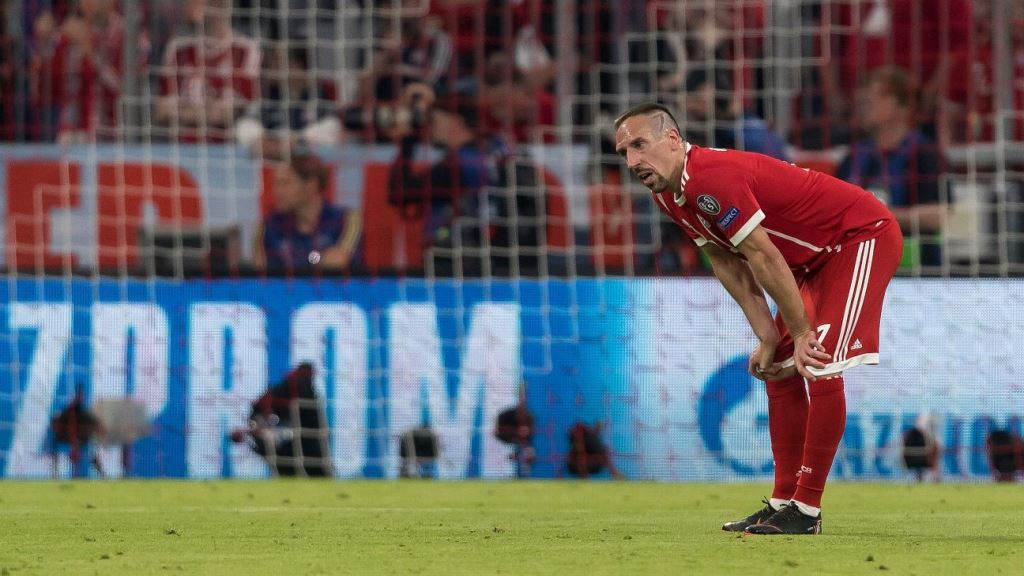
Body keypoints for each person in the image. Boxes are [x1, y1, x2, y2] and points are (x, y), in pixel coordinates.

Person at [613, 102, 902, 535]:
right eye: (624, 153)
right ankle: (783, 501)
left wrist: (802, 331)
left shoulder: (709, 178)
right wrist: (768, 336)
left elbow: (762, 255)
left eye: (640, 145)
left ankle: (806, 511)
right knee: (777, 369)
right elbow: (726, 263)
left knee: (818, 361)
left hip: (858, 237)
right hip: (810, 265)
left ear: (672, 140)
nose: (633, 161)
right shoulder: (668, 196)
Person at [836, 67, 946, 270]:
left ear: (899, 105)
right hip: (860, 268)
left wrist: (880, 217)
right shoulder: (853, 156)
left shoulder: (924, 152)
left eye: (872, 101)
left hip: (916, 271)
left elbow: (939, 216)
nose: (864, 107)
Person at [254, 153, 362, 274]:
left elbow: (337, 264)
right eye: (276, 184)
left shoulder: (346, 220)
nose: (277, 191)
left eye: (285, 183)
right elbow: (261, 279)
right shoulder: (270, 226)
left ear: (311, 185)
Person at [231, 363, 332, 477]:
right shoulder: (276, 395)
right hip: (283, 446)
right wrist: (255, 429)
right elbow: (258, 419)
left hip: (307, 447)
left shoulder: (309, 399)